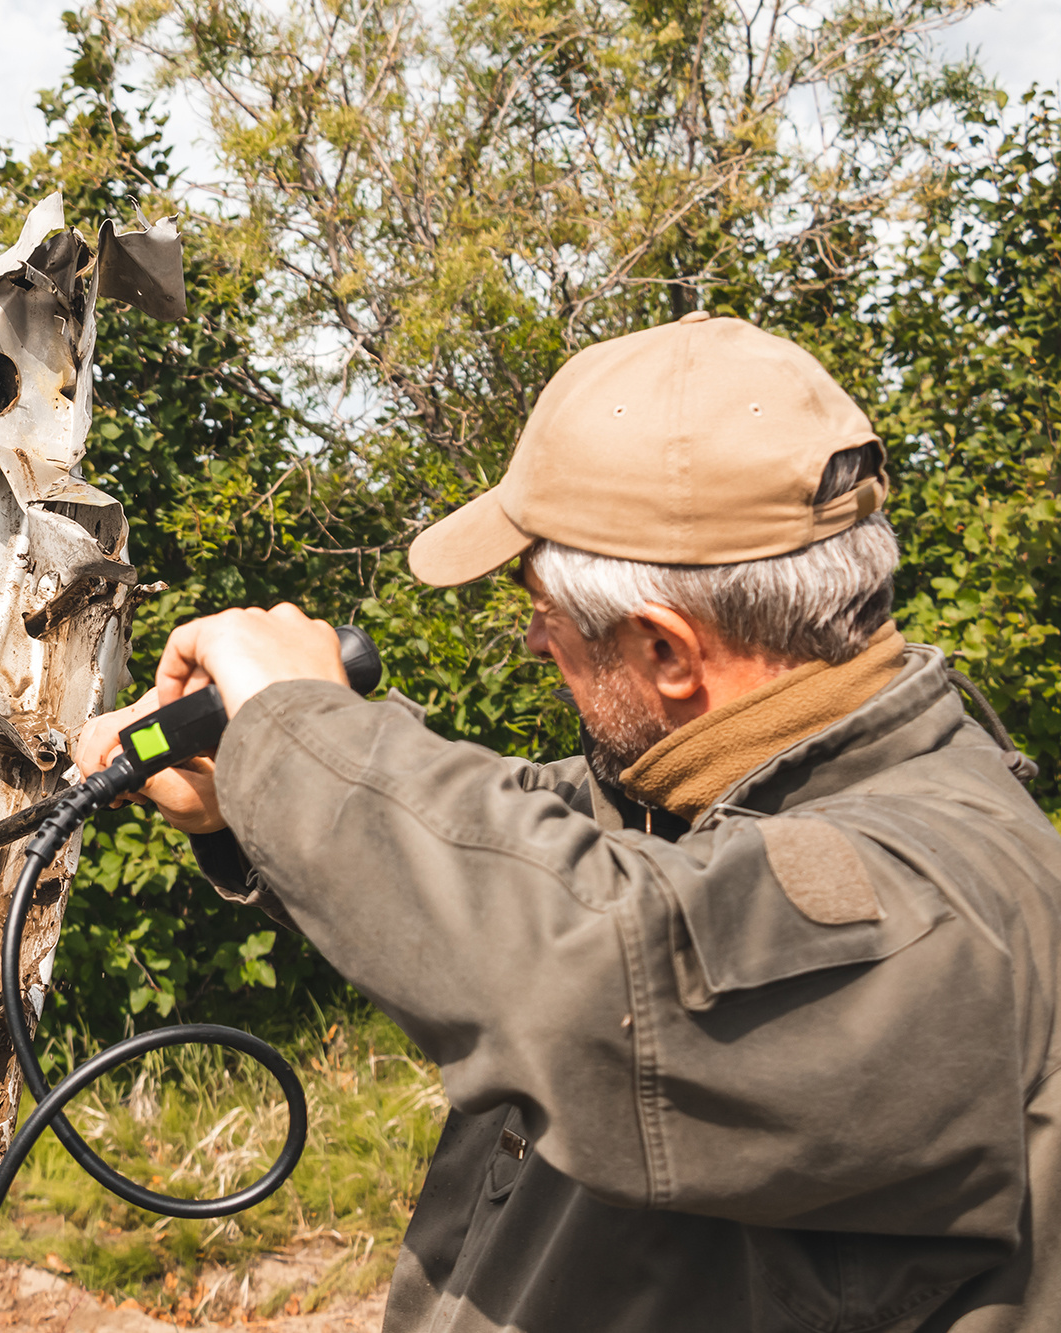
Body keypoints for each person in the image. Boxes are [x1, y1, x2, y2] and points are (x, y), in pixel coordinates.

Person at [82, 311, 1060, 1331]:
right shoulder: (719, 800)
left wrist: (299, 732)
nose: (536, 642)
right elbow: (513, 849)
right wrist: (244, 786)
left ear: (668, 654)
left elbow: (593, 966)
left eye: (542, 613)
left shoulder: (940, 903)